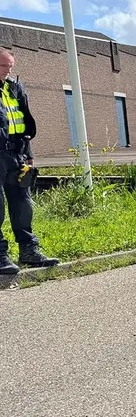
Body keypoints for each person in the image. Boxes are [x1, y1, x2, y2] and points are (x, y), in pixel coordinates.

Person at [0, 47, 58, 274]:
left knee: (23, 204)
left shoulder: (14, 89)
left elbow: (22, 125)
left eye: (10, 66)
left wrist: (29, 154)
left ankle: (28, 251)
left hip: (17, 154)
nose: (8, 70)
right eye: (4, 66)